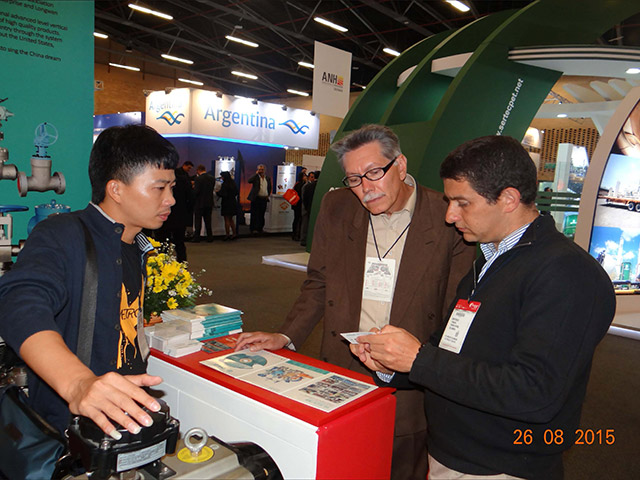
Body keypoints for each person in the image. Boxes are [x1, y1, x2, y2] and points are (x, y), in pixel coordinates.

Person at [352, 135, 616, 480]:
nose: (450, 216)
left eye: (462, 203)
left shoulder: (567, 273)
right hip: (452, 454)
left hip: (500, 467)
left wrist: (418, 359)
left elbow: (534, 392)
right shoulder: (490, 260)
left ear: (508, 199)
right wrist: (393, 365)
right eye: (449, 201)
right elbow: (452, 350)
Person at [235, 124, 474, 480]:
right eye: (354, 179)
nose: (366, 188)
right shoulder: (337, 206)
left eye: (374, 173)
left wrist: (429, 368)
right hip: (342, 368)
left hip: (408, 383)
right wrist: (285, 336)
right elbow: (319, 282)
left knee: (398, 468)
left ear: (401, 165)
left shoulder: (446, 216)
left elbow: (455, 309)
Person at [0, 124, 178, 440]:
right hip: (70, 432)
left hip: (125, 417)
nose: (171, 200)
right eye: (159, 188)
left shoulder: (134, 245)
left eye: (172, 188)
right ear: (116, 190)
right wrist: (78, 383)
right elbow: (19, 302)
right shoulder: (62, 234)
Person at [155, 161, 194, 261]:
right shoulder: (184, 180)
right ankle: (182, 264)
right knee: (180, 243)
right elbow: (190, 198)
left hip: (163, 215)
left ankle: (162, 265)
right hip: (180, 216)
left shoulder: (160, 180)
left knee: (163, 243)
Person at [192, 164, 216, 242]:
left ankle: (197, 237)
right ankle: (210, 237)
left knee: (198, 221)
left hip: (199, 203)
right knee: (208, 221)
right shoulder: (212, 178)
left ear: (198, 170)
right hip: (209, 202)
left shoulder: (198, 179)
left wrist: (193, 189)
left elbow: (196, 192)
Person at [247, 164, 272, 234]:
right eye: (259, 169)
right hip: (256, 198)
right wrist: (256, 174)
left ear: (265, 170)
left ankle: (260, 228)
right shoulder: (256, 178)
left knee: (262, 214)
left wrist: (268, 195)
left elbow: (269, 187)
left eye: (262, 169)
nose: (261, 171)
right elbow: (249, 181)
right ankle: (253, 228)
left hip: (264, 199)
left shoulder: (267, 178)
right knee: (254, 214)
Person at [298, 170, 319, 246]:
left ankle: (304, 240)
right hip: (309, 208)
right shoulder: (313, 186)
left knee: (305, 225)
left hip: (307, 208)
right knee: (307, 225)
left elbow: (304, 198)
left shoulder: (308, 186)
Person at [217, 171, 239, 240]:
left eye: (222, 177)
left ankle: (227, 234)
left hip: (226, 203)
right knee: (231, 219)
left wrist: (217, 192)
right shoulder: (233, 183)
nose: (221, 178)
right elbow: (236, 192)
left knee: (226, 219)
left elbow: (222, 194)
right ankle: (234, 233)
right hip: (233, 202)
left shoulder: (225, 184)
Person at [291, 170, 307, 241]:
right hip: (299, 204)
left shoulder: (296, 184)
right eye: (304, 176)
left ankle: (295, 234)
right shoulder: (301, 185)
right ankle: (297, 234)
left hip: (296, 204)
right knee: (298, 220)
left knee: (296, 219)